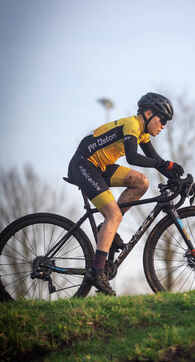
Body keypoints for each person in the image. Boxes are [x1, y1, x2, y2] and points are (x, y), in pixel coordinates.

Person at [67, 92, 184, 296]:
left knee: (141, 182)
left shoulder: (141, 133)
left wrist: (176, 178)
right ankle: (97, 271)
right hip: (84, 164)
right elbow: (132, 157)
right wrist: (164, 164)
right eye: (162, 120)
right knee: (114, 214)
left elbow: (155, 160)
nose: (163, 126)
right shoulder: (131, 125)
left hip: (100, 166)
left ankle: (106, 228)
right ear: (148, 113)